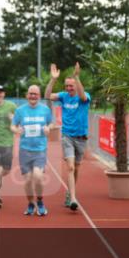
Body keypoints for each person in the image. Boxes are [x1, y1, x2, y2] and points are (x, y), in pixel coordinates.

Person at [45, 63, 91, 211]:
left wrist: (77, 77)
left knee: (76, 168)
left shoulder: (84, 96)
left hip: (81, 138)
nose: (69, 89)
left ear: (76, 85)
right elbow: (47, 96)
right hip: (67, 136)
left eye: (71, 86)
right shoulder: (63, 97)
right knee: (70, 167)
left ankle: (69, 193)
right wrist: (53, 79)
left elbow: (83, 96)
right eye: (67, 86)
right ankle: (73, 198)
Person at [12, 85, 54, 216]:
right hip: (25, 150)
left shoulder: (45, 110)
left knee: (38, 176)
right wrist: (16, 130)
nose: (33, 96)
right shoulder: (20, 111)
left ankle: (40, 201)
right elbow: (13, 125)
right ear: (27, 95)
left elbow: (52, 123)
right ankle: (30, 203)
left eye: (35, 94)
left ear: (39, 96)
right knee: (28, 180)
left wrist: (49, 128)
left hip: (40, 149)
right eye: (31, 93)